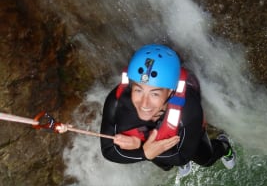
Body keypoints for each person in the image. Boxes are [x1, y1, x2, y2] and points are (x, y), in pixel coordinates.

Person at [100, 44, 236, 176]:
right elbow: (108, 150)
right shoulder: (116, 102)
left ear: (171, 91)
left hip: (176, 131)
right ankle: (164, 155)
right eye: (138, 90)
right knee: (166, 165)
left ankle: (225, 147)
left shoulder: (189, 110)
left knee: (206, 160)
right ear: (131, 86)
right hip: (149, 139)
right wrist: (144, 153)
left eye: (155, 94)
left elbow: (183, 156)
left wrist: (142, 149)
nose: (144, 103)